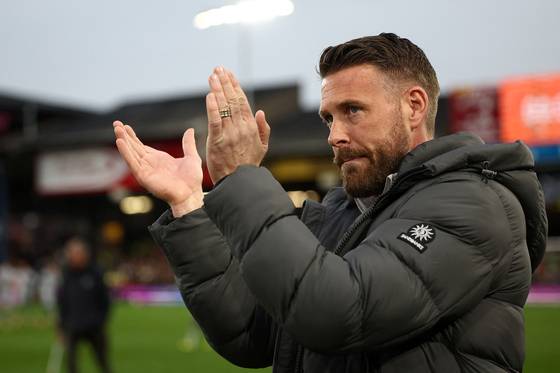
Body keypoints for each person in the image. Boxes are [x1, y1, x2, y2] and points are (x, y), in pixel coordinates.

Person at [113, 33, 547, 372]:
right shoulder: (343, 211)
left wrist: (242, 179)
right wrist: (189, 205)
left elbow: (338, 310)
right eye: (328, 117)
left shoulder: (475, 203)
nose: (334, 135)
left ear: (414, 106)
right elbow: (248, 334)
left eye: (353, 110)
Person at [56, 236, 112, 373]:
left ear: (85, 254)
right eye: (71, 253)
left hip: (94, 326)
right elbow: (62, 302)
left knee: (102, 362)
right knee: (71, 363)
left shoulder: (96, 273)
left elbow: (105, 300)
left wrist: (101, 320)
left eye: (76, 253)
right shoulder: (66, 275)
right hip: (72, 326)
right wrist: (61, 326)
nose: (73, 256)